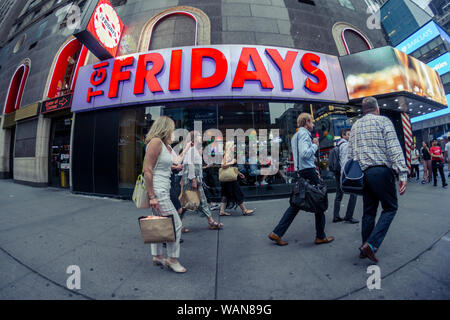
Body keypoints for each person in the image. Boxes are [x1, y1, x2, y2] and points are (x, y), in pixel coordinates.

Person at [347, 97, 408, 263]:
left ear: (363, 109)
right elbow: (394, 147)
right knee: (390, 207)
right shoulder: (383, 121)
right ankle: (371, 245)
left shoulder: (355, 126)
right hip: (381, 171)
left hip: (363, 174)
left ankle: (364, 247)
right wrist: (402, 173)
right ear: (377, 109)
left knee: (369, 212)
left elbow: (350, 155)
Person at [268, 113, 335, 246]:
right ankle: (320, 236)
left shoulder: (296, 136)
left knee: (296, 204)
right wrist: (315, 145)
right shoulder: (304, 134)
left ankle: (276, 233)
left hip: (301, 172)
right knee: (320, 199)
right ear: (306, 122)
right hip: (309, 172)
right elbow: (305, 153)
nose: (313, 124)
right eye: (312, 122)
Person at [144, 116, 186, 273]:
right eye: (172, 128)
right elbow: (147, 170)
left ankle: (157, 256)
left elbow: (159, 166)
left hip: (162, 189)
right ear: (166, 128)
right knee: (175, 224)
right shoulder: (155, 142)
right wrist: (152, 196)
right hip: (158, 191)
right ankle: (172, 259)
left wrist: (173, 168)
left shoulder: (162, 144)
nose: (173, 131)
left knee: (159, 223)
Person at [180, 131, 224, 229]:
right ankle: (178, 224)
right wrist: (194, 180)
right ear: (194, 138)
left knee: (198, 201)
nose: (201, 137)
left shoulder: (194, 149)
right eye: (199, 135)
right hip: (191, 179)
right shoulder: (191, 149)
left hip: (194, 178)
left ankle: (210, 221)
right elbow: (190, 165)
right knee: (188, 202)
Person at [219, 141, 255, 216]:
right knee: (237, 193)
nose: (234, 147)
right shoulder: (227, 154)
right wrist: (233, 161)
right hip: (230, 179)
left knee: (225, 194)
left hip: (227, 178)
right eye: (233, 146)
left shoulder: (229, 154)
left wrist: (239, 173)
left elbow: (230, 168)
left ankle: (222, 211)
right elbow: (223, 165)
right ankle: (244, 210)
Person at [332, 128, 358, 224]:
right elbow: (344, 162)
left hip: (338, 172)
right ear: (343, 135)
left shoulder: (338, 144)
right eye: (348, 134)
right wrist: (346, 175)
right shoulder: (346, 145)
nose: (350, 136)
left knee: (339, 194)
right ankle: (349, 216)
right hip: (344, 173)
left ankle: (336, 216)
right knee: (354, 193)